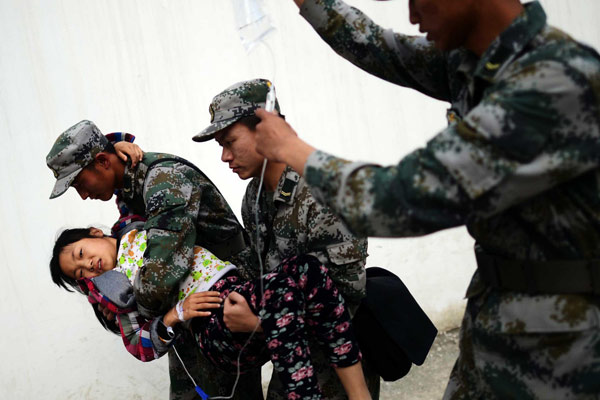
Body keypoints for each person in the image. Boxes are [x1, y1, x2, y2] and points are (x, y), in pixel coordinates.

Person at [251, 0, 600, 398]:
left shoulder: (549, 84)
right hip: (498, 312)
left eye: (420, 0)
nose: (413, 15)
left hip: (564, 340)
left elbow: (396, 200)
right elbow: (379, 47)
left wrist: (292, 149)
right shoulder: (482, 62)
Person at [192, 79, 380, 399]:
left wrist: (260, 323)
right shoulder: (254, 197)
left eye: (230, 141)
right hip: (290, 357)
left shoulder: (322, 192)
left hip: (336, 368)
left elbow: (344, 295)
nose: (224, 156)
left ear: (266, 128)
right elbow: (261, 270)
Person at [46, 121, 262, 400]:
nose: (84, 194)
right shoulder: (127, 191)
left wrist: (122, 302)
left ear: (102, 161)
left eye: (79, 183)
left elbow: (159, 278)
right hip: (186, 303)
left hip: (221, 295)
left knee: (229, 394)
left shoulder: (162, 181)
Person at [49, 227, 372, 400]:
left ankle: (359, 395)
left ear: (94, 233)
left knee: (307, 269)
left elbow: (129, 183)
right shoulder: (115, 290)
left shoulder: (135, 227)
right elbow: (137, 344)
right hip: (214, 324)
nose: (87, 265)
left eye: (81, 254)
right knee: (283, 295)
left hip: (237, 289)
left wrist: (122, 146)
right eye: (79, 274)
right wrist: (175, 315)